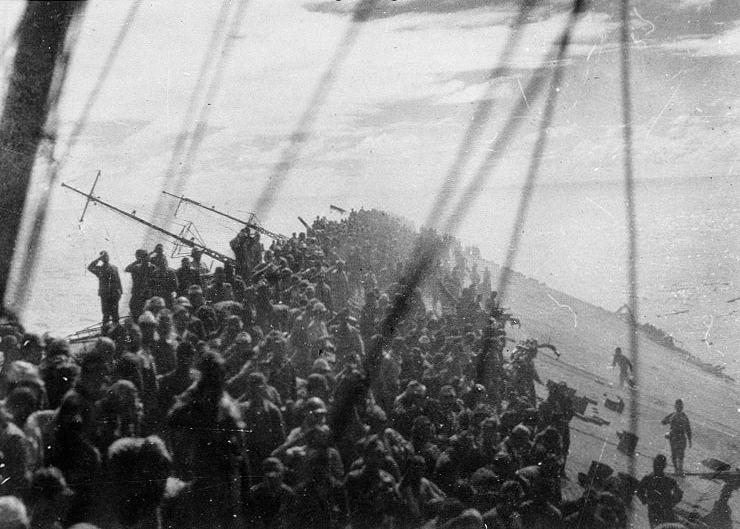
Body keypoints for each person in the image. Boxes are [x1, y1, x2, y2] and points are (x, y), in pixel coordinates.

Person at [637, 454, 683, 528]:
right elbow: (679, 493)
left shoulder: (649, 478)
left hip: (658, 511)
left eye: (658, 465)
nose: (656, 467)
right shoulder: (668, 479)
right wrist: (672, 502)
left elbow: (639, 491)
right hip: (662, 510)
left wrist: (646, 500)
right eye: (656, 464)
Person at [87, 251, 122, 328]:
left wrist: (120, 292)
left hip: (114, 294)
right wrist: (98, 259)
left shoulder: (114, 267)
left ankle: (117, 330)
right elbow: (90, 267)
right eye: (104, 256)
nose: (106, 257)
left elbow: (118, 281)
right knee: (106, 314)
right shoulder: (100, 269)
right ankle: (106, 330)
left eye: (107, 256)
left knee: (115, 314)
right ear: (102, 259)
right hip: (105, 294)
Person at [661, 399, 692, 476]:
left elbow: (688, 428)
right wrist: (668, 420)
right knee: (674, 454)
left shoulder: (685, 416)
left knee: (681, 453)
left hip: (681, 436)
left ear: (682, 407)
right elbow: (663, 422)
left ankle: (680, 470)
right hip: (674, 436)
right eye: (678, 406)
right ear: (675, 407)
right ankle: (676, 469)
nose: (679, 407)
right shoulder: (673, 415)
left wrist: (690, 439)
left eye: (681, 406)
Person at [124, 249, 156, 320]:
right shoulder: (137, 267)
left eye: (147, 256)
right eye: (144, 257)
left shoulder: (152, 267)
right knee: (133, 307)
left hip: (146, 293)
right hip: (137, 292)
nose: (147, 258)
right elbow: (127, 269)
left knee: (143, 309)